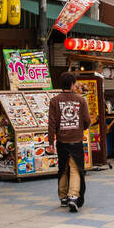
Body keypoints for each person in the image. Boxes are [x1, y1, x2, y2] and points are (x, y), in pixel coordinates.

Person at [48, 81, 92, 212]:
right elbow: (87, 120)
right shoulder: (80, 100)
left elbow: (51, 123)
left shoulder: (54, 101)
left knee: (63, 168)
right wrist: (80, 129)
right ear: (73, 84)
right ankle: (73, 196)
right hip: (76, 140)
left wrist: (51, 141)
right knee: (75, 168)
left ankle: (63, 197)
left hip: (61, 140)